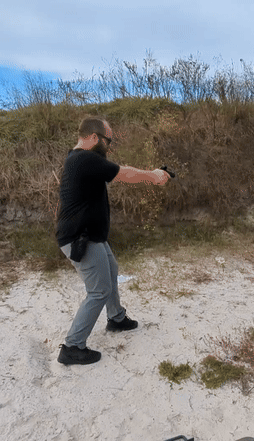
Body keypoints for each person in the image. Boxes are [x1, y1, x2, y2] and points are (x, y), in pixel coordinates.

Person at [55, 116, 170, 365]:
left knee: (111, 270)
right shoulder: (85, 158)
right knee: (98, 291)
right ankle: (72, 347)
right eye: (108, 140)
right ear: (95, 138)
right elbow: (123, 173)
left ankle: (116, 318)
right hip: (81, 239)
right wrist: (153, 175)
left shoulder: (77, 158)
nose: (109, 145)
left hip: (90, 235)